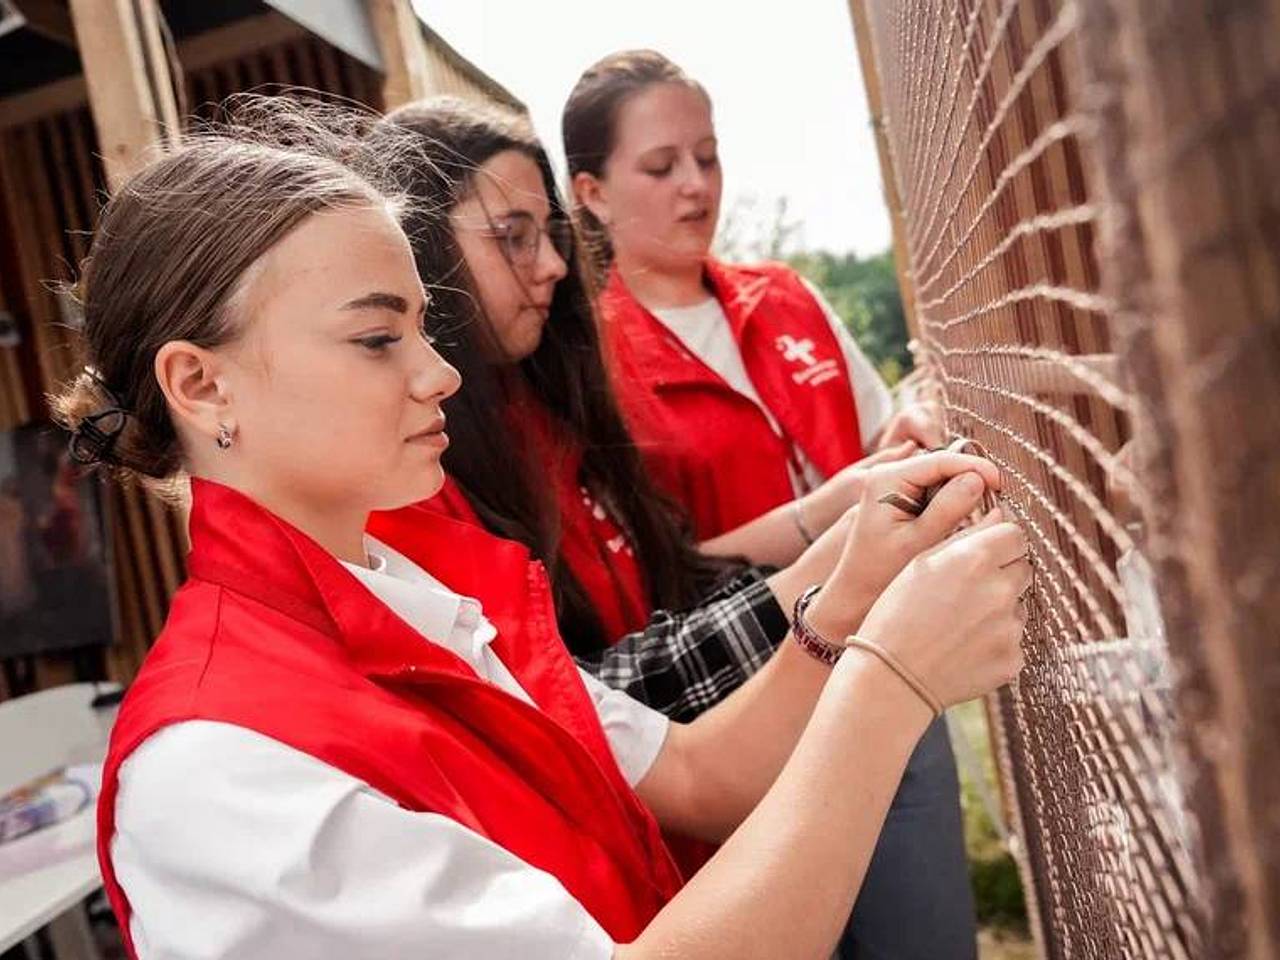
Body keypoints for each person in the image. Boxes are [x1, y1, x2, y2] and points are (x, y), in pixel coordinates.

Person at [57, 100, 1028, 960]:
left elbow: (691, 772)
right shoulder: (214, 771)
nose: (437, 374)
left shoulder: (419, 601)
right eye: (376, 338)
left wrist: (849, 591)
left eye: (423, 331)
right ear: (201, 383)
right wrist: (890, 680)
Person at [377, 95, 976, 953]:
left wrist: (837, 516)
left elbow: (669, 585)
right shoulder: (420, 477)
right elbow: (591, 696)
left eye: (709, 155)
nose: (549, 265)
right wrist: (837, 581)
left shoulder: (552, 404)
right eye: (513, 236)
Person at [564, 49, 944, 561]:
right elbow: (663, 582)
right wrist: (835, 510)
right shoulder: (591, 363)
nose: (696, 185)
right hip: (774, 636)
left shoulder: (784, 294)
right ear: (594, 194)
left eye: (707, 157)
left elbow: (873, 444)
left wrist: (903, 439)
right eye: (661, 167)